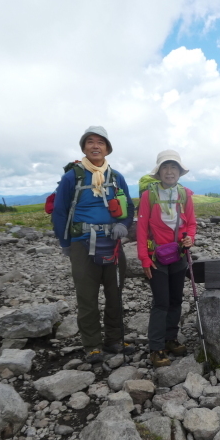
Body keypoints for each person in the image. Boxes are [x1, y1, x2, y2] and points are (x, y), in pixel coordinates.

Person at [52, 126, 135, 363]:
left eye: (101, 142)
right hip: (82, 243)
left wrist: (124, 225)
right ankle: (92, 345)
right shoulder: (73, 177)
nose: (96, 146)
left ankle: (114, 340)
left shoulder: (117, 177)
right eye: (90, 142)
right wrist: (65, 243)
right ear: (84, 147)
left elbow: (128, 207)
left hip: (113, 242)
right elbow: (59, 212)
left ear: (108, 148)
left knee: (114, 294)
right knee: (87, 297)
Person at [137, 150, 197, 367]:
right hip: (156, 257)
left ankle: (170, 338)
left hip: (179, 254)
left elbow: (190, 223)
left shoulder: (184, 195)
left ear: (179, 172)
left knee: (176, 300)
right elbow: (141, 228)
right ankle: (156, 347)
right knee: (161, 302)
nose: (169, 171)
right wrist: (144, 258)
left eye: (173, 167)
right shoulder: (149, 196)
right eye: (165, 167)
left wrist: (190, 238)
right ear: (159, 171)